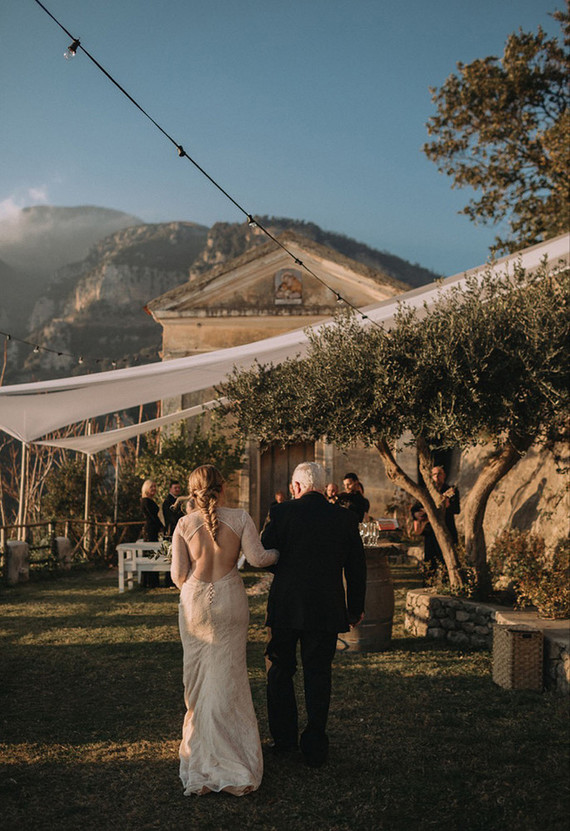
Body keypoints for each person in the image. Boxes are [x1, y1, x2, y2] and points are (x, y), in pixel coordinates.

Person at [170, 465, 279, 797]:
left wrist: (196, 589)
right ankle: (234, 755)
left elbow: (178, 575)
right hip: (230, 600)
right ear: (222, 488)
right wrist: (280, 552)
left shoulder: (183, 525)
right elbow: (258, 559)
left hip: (195, 604)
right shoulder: (241, 517)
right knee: (230, 677)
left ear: (193, 491)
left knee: (198, 680)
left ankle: (202, 751)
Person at [261, 461, 366, 768]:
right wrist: (355, 608)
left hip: (286, 605)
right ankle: (316, 744)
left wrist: (287, 569)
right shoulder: (345, 518)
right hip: (326, 606)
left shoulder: (281, 513)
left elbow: (265, 554)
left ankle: (284, 740)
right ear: (322, 487)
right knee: (318, 673)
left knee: (280, 670)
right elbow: (356, 568)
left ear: (296, 487)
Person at [411, 465, 460, 573]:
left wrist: (446, 505)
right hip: (430, 532)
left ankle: (448, 581)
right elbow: (414, 508)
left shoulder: (451, 491)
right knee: (430, 563)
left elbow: (456, 510)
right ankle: (429, 582)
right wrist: (417, 515)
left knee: (448, 562)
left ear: (444, 475)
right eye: (434, 474)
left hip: (447, 529)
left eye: (439, 474)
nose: (437, 477)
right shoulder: (427, 491)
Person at [140, 479, 164, 587]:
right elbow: (153, 517)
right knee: (150, 554)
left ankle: (151, 581)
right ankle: (149, 581)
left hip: (153, 529)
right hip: (150, 530)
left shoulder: (149, 500)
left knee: (153, 553)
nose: (154, 489)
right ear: (146, 488)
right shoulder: (146, 501)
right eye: (151, 487)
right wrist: (162, 527)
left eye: (155, 486)